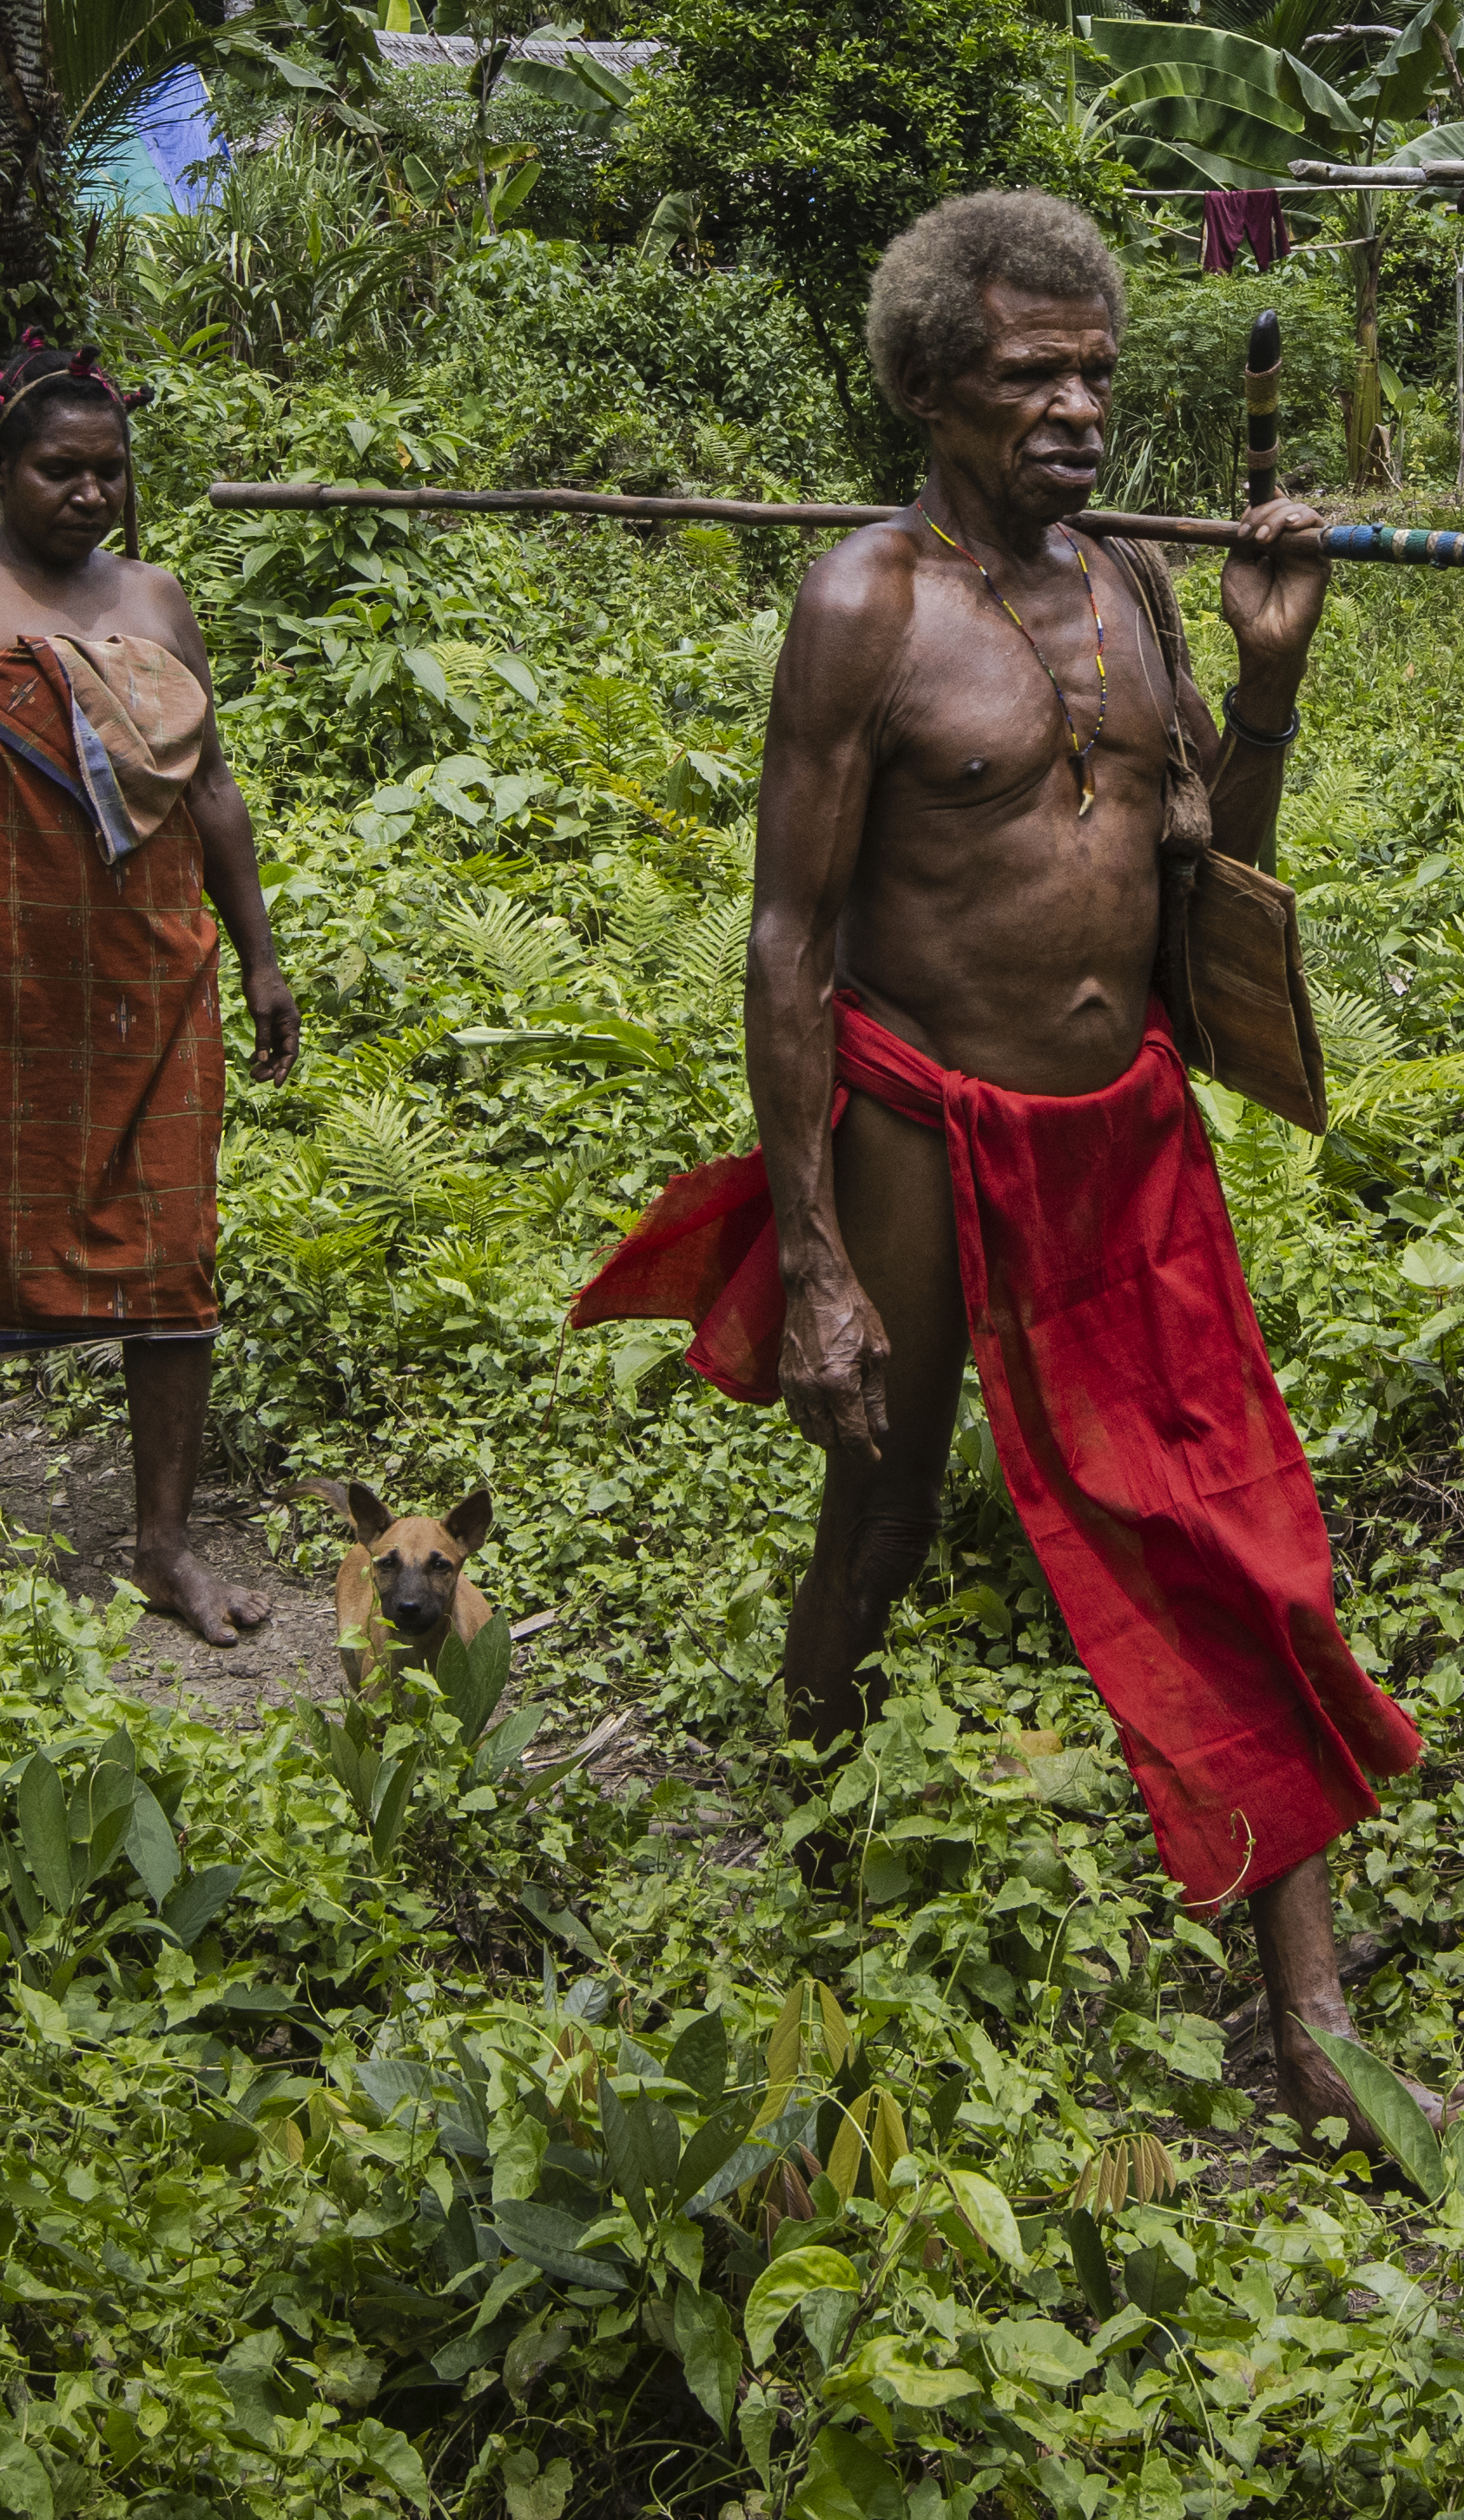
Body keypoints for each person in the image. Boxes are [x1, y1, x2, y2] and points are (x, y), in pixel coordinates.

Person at [575, 187, 1414, 2126]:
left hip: (1121, 1134)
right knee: (871, 1515)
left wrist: (1268, 675)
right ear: (933, 381)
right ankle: (818, 1881)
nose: (1076, 409)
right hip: (910, 1121)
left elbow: (1210, 859)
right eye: (1033, 373)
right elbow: (788, 936)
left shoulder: (1126, 584)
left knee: (1236, 1527)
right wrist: (821, 1261)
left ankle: (1314, 2008)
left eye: (1096, 374)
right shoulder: (866, 603)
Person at [0, 340, 301, 1644]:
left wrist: (258, 951)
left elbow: (210, 788)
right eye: (61, 469)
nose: (90, 492)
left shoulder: (157, 598)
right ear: (1, 467)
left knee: (176, 1246)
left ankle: (162, 1541)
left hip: (145, 971)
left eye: (109, 471)